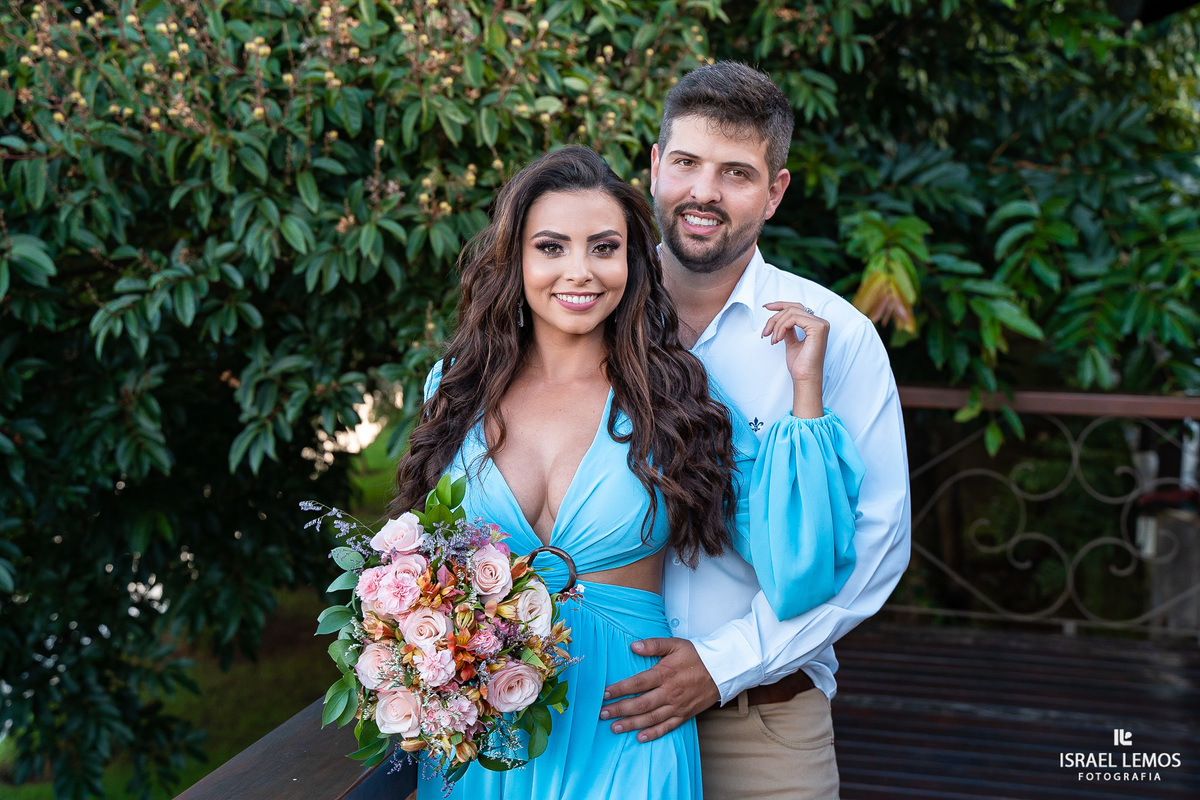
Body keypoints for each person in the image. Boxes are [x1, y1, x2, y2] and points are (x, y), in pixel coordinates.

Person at [393, 146, 864, 800]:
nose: (579, 271)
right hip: (488, 735)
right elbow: (423, 563)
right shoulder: (455, 388)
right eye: (552, 247)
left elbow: (797, 569)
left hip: (627, 723)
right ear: (517, 259)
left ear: (632, 263)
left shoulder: (675, 396)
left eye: (604, 248)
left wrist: (805, 390)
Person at [600, 63, 912, 800]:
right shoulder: (582, 315)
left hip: (763, 729)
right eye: (685, 163)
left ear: (774, 192)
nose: (703, 192)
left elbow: (877, 541)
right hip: (598, 718)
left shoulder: (840, 339)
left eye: (735, 173)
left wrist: (722, 664)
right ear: (654, 166)